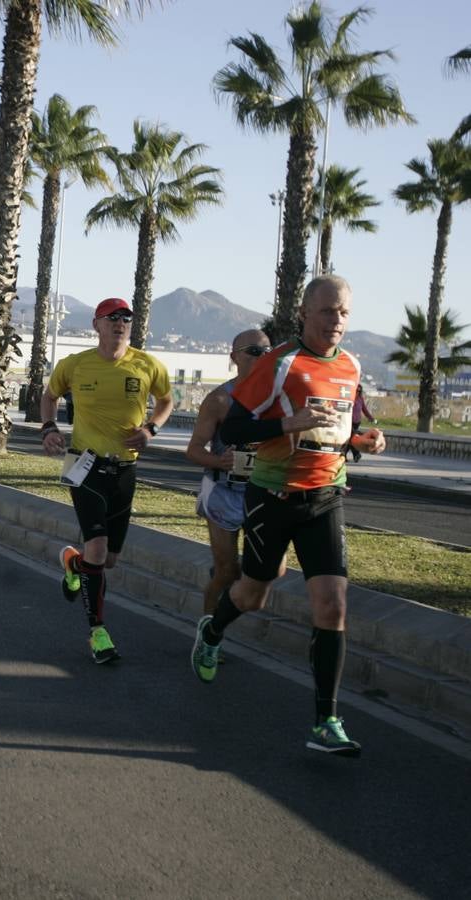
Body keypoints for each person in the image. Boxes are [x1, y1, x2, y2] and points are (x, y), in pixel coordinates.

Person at [191, 275, 386, 757]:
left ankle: (326, 721)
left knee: (333, 606)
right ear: (304, 312)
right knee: (254, 593)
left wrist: (368, 439)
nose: (336, 320)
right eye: (326, 311)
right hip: (273, 494)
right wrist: (286, 423)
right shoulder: (279, 363)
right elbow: (235, 428)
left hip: (326, 495)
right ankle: (212, 630)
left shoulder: (350, 365)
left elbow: (352, 425)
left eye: (343, 312)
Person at [41, 297, 173, 664]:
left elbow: (166, 401)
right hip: (85, 465)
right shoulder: (75, 364)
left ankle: (73, 564)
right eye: (113, 318)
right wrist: (49, 428)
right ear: (96, 324)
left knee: (108, 559)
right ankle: (98, 632)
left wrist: (151, 429)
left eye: (126, 318)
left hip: (125, 470)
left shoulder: (147, 364)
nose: (120, 323)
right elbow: (49, 396)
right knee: (98, 549)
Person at [186, 329, 275, 618]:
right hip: (224, 492)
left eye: (267, 351)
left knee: (274, 567)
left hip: (264, 492)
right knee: (227, 572)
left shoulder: (279, 400)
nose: (262, 357)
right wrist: (218, 461)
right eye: (254, 351)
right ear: (234, 357)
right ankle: (209, 628)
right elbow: (194, 449)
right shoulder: (220, 400)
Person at [348, 384, 376, 462]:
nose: (358, 391)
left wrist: (371, 418)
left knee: (350, 438)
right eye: (356, 390)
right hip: (349, 421)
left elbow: (364, 409)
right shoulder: (350, 398)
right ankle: (356, 454)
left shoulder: (360, 399)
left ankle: (345, 455)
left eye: (359, 390)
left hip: (357, 422)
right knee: (351, 437)